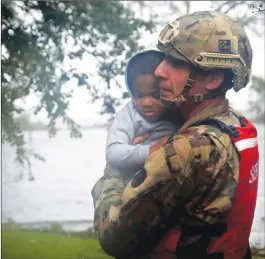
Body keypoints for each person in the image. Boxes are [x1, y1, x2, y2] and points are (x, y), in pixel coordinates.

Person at [92, 11, 259, 259]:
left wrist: (113, 172)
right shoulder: (236, 125)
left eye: (176, 63)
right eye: (164, 59)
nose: (159, 71)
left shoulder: (184, 150)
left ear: (213, 78)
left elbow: (114, 238)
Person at [105, 49, 182, 184]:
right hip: (134, 185)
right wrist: (152, 150)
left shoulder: (179, 111)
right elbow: (113, 153)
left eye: (156, 95)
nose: (146, 103)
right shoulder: (130, 113)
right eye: (140, 96)